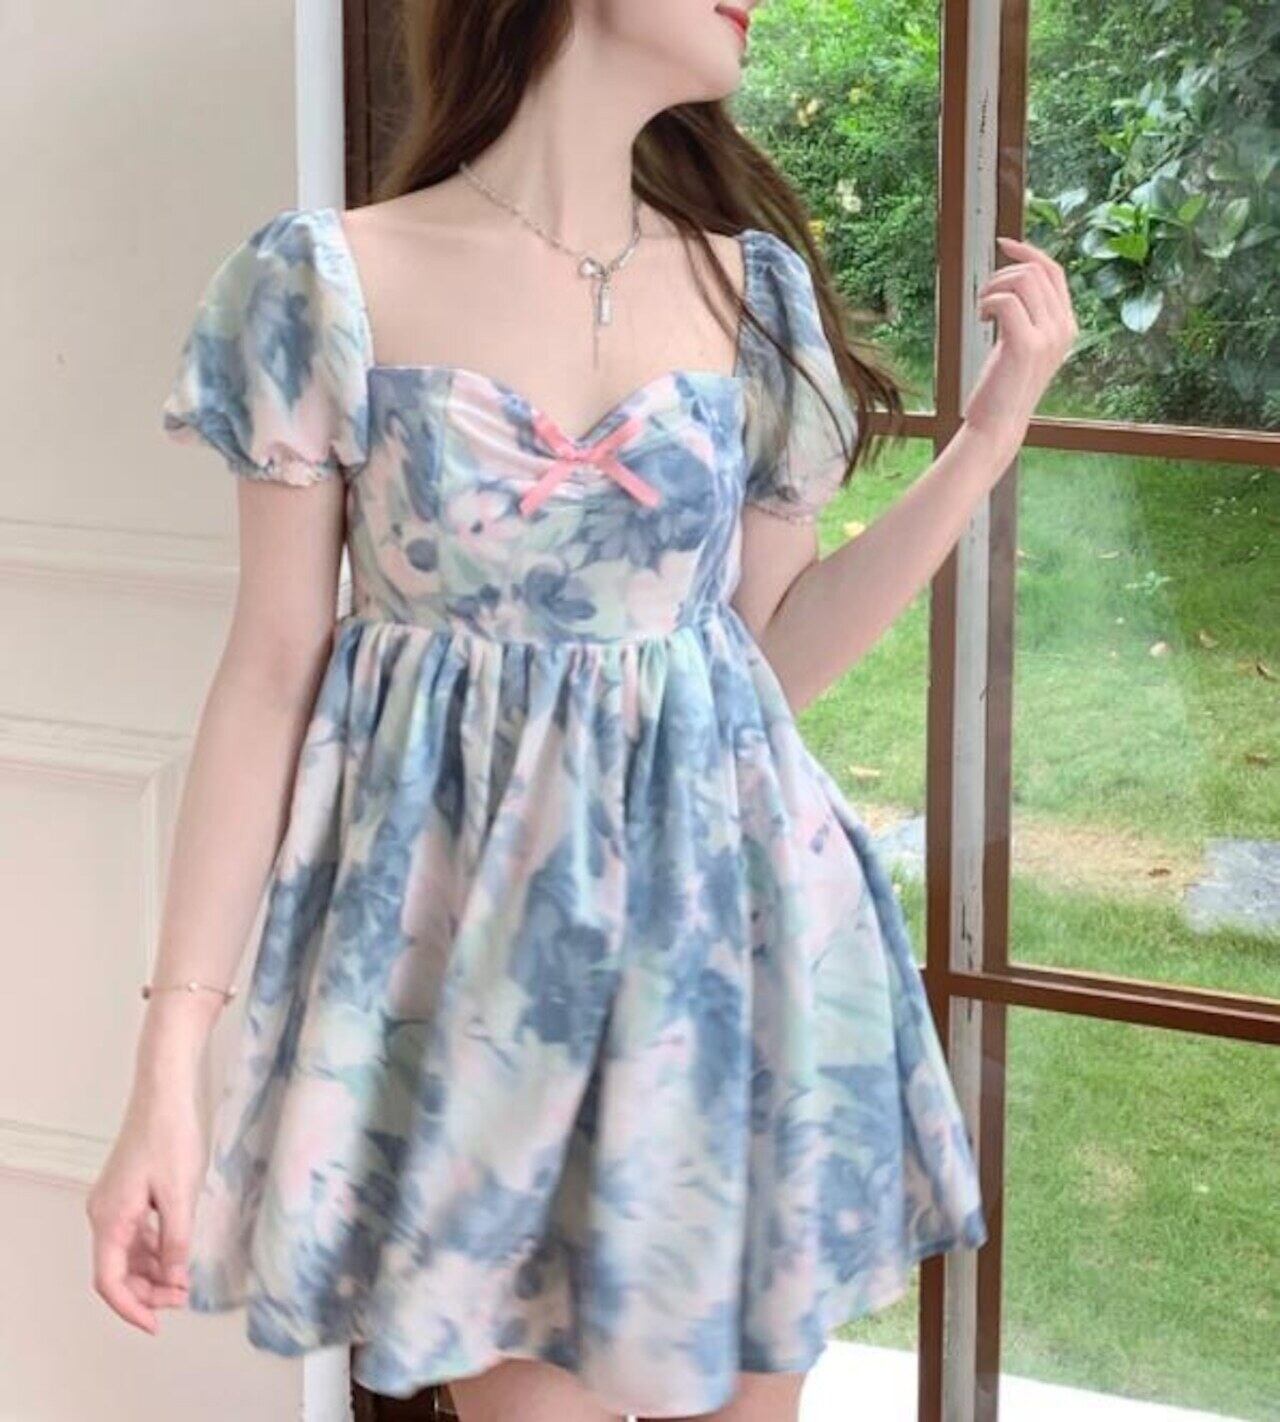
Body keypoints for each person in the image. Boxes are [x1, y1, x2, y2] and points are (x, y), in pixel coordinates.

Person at [85, 2, 1076, 1419]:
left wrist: (987, 440)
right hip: (479, 994)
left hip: (730, 960)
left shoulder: (752, 294)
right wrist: (169, 1062)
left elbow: (770, 659)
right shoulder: (330, 282)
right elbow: (270, 670)